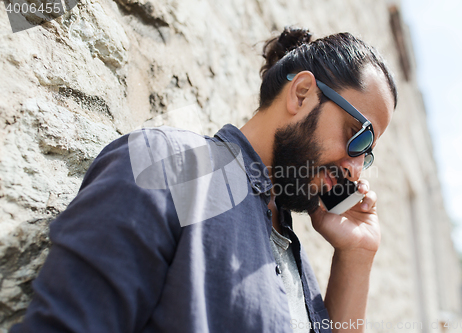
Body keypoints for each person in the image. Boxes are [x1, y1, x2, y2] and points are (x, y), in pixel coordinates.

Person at [10, 27, 397, 333]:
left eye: (368, 154)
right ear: (301, 93)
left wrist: (356, 256)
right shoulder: (170, 167)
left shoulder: (295, 259)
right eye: (357, 135)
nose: (356, 168)